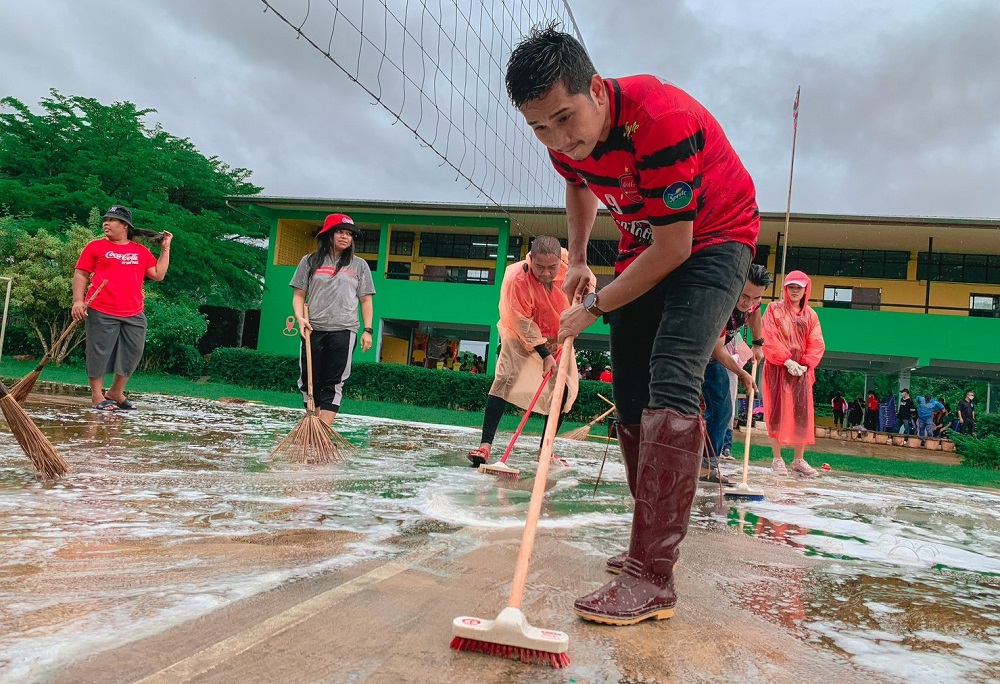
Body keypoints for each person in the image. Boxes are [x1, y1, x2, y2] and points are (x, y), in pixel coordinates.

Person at [506, 26, 759, 625]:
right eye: (541, 128)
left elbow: (676, 249)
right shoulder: (559, 133)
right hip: (641, 238)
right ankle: (647, 539)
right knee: (630, 394)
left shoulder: (660, 121)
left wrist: (593, 307)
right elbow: (579, 185)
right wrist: (578, 259)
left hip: (714, 240)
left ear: (595, 88)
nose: (559, 140)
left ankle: (654, 576)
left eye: (566, 120)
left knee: (672, 374)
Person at [467, 236, 578, 466]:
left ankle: (545, 451)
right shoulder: (518, 278)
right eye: (540, 267)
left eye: (552, 267)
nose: (547, 273)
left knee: (563, 390)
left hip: (559, 336)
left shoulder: (571, 266)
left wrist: (580, 313)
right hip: (518, 334)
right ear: (531, 258)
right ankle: (485, 446)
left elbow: (586, 286)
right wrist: (544, 355)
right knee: (504, 378)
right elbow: (521, 322)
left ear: (560, 261)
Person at [71, 205, 172, 411]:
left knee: (133, 351)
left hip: (133, 311)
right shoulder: (95, 247)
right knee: (99, 352)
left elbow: (158, 274)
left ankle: (116, 392)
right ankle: (97, 396)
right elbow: (81, 273)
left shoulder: (140, 251)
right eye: (105, 219)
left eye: (112, 220)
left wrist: (165, 249)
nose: (106, 223)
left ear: (125, 225)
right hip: (101, 308)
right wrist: (78, 301)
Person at [290, 213, 375, 427]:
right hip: (313, 328)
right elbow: (299, 295)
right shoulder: (309, 261)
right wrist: (300, 319)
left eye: (349, 234)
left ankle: (323, 431)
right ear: (328, 234)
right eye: (340, 232)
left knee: (334, 381)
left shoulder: (359, 265)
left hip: (344, 330)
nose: (345, 237)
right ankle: (313, 424)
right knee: (309, 379)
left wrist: (368, 330)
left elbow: (365, 300)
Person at [701, 264, 769, 483]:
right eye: (744, 296)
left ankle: (708, 465)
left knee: (723, 409)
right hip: (696, 355)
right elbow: (717, 351)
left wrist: (758, 343)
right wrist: (742, 374)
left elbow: (755, 312)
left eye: (755, 297)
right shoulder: (722, 303)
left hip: (715, 356)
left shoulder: (752, 303)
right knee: (704, 407)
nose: (748, 303)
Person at [761, 270, 825, 476]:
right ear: (785, 289)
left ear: (806, 289)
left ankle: (799, 459)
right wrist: (785, 360)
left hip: (802, 372)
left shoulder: (811, 315)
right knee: (776, 412)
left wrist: (806, 364)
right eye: (791, 287)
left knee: (801, 414)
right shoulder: (774, 309)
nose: (795, 290)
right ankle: (777, 459)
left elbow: (816, 342)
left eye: (799, 287)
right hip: (777, 368)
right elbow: (768, 335)